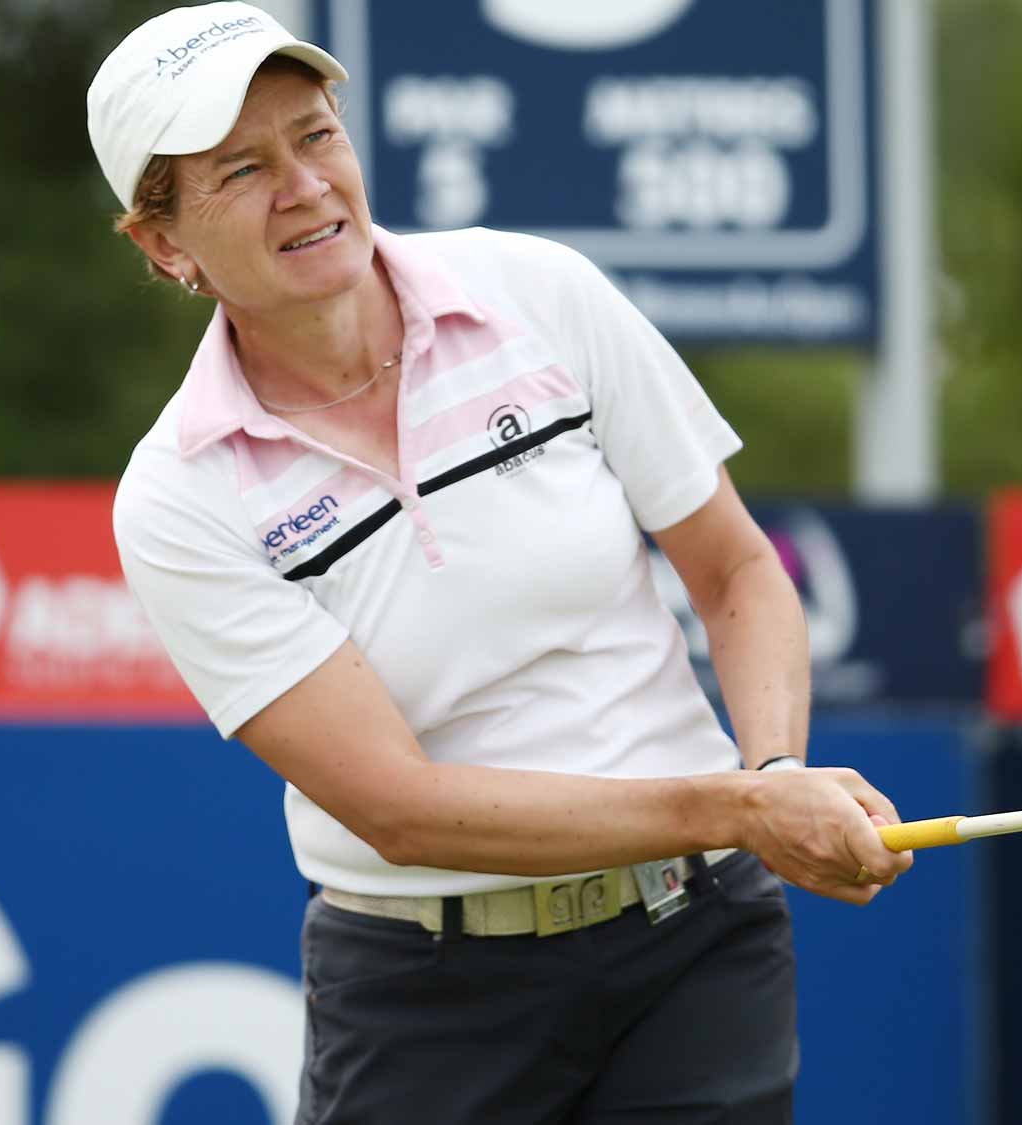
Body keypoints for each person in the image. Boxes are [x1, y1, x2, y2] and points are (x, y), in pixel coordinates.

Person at [86, 5, 914, 1122]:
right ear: (163, 243)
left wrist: (771, 774)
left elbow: (734, 573)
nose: (305, 185)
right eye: (242, 169)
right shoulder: (181, 495)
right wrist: (731, 806)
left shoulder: (539, 291)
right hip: (428, 999)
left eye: (316, 136)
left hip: (694, 950)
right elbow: (403, 810)